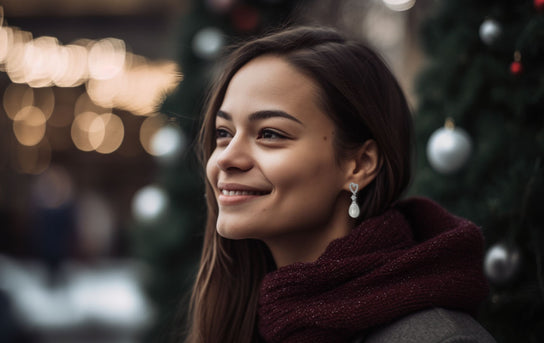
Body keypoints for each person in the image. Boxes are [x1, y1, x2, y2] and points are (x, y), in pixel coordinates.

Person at [187, 26, 495, 343]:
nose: (226, 158)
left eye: (270, 134)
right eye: (224, 133)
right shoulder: (252, 320)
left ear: (360, 165)